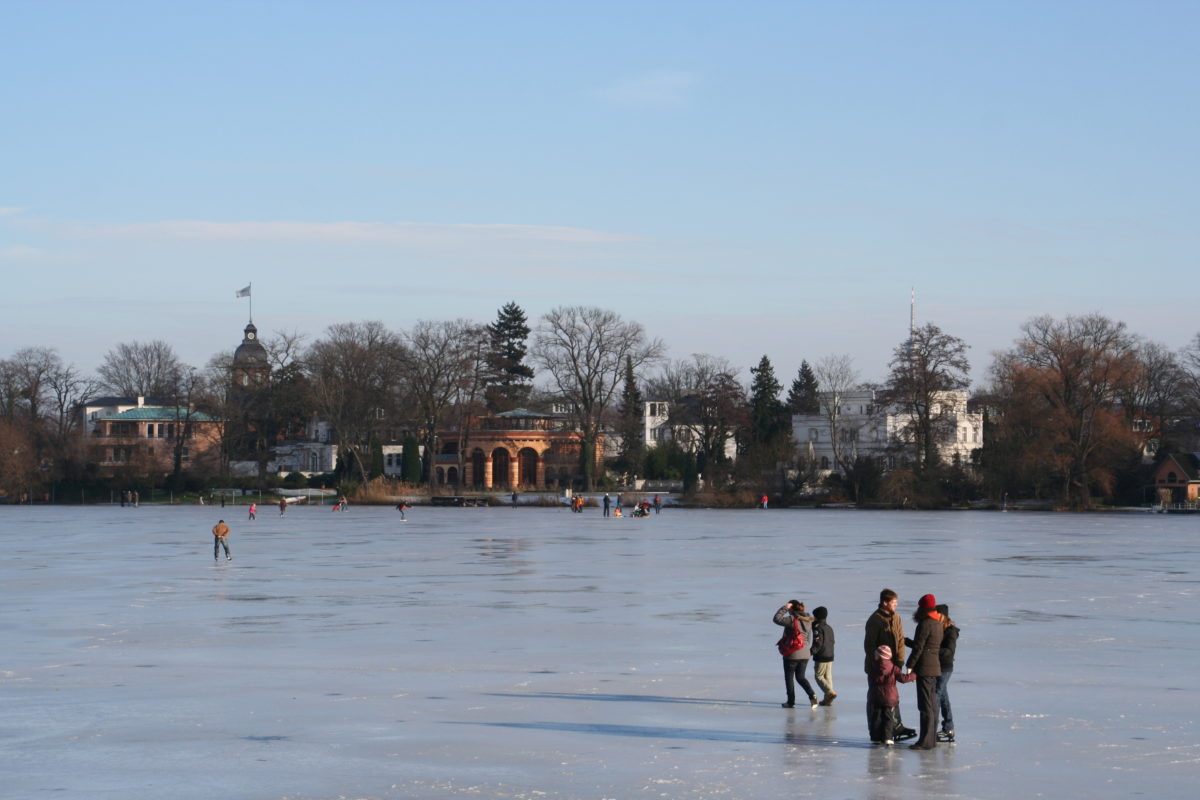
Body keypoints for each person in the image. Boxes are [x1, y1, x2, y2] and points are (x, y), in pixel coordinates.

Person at [865, 589, 916, 741]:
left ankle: (896, 726)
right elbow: (869, 646)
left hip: (893, 664)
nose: (896, 605)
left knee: (891, 697)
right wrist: (878, 663)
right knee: (878, 699)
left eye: (896, 602)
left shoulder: (896, 618)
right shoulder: (874, 620)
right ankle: (877, 732)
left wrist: (899, 661)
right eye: (893, 602)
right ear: (885, 603)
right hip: (877, 667)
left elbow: (900, 639)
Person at [905, 593, 944, 750]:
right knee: (932, 705)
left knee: (925, 705)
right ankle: (930, 739)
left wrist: (910, 665)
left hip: (925, 668)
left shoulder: (925, 624)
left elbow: (919, 647)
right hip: (935, 667)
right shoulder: (938, 623)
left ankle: (925, 742)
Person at [774, 600, 818, 709]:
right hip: (805, 653)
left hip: (792, 653)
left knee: (789, 678)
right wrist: (806, 650)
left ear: (791, 609)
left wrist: (784, 607)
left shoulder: (792, 619)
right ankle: (812, 695)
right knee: (801, 677)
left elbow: (776, 619)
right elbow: (808, 638)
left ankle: (790, 702)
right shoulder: (808, 619)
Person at [867, 645, 916, 745]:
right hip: (889, 697)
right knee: (888, 718)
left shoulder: (872, 666)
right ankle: (888, 738)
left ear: (879, 656)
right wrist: (915, 675)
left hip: (875, 696)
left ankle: (876, 738)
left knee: (876, 718)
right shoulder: (893, 668)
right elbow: (903, 679)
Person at [936, 604, 959, 743]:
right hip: (936, 667)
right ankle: (948, 728)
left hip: (945, 668)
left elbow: (949, 652)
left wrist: (932, 650)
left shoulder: (951, 632)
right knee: (943, 696)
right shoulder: (937, 628)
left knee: (937, 694)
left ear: (943, 616)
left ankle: (941, 727)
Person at [810, 606, 837, 706]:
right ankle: (827, 699)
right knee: (828, 677)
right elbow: (832, 642)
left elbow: (818, 643)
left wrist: (811, 652)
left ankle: (830, 692)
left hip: (821, 656)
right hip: (830, 655)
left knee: (819, 676)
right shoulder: (829, 627)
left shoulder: (818, 628)